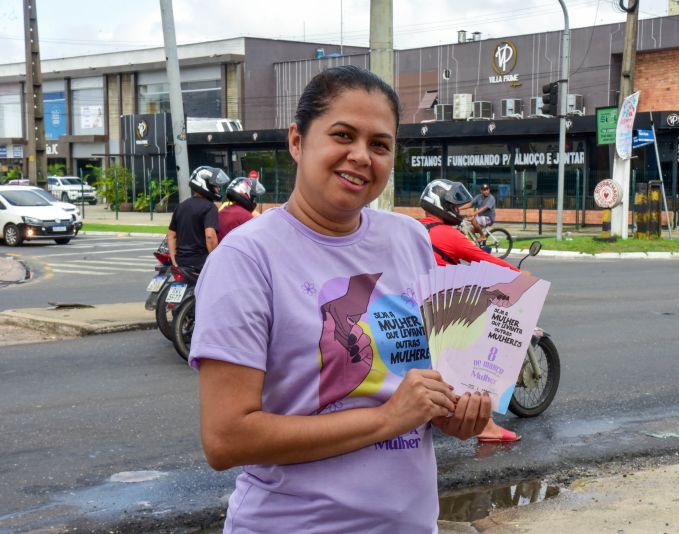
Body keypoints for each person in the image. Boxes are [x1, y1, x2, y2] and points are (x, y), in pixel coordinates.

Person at [189, 65, 492, 533]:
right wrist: (389, 418)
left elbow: (421, 389)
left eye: (379, 144)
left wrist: (453, 414)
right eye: (343, 135)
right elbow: (226, 438)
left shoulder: (410, 239)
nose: (360, 156)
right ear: (297, 140)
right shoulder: (246, 258)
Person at [419, 178, 523, 444]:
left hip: (417, 307)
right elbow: (487, 261)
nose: (458, 211)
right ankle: (486, 426)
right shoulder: (447, 234)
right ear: (440, 205)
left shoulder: (417, 229)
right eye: (453, 206)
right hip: (440, 311)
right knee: (474, 356)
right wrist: (521, 277)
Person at [166, 166, 230, 272]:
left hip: (181, 262)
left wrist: (174, 261)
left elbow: (171, 236)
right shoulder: (210, 207)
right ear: (205, 184)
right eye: (215, 186)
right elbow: (210, 236)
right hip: (200, 262)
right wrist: (216, 260)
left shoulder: (181, 206)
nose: (218, 189)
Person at [217, 177, 265, 241]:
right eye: (253, 198)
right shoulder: (245, 215)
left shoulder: (223, 211)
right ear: (245, 193)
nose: (254, 201)